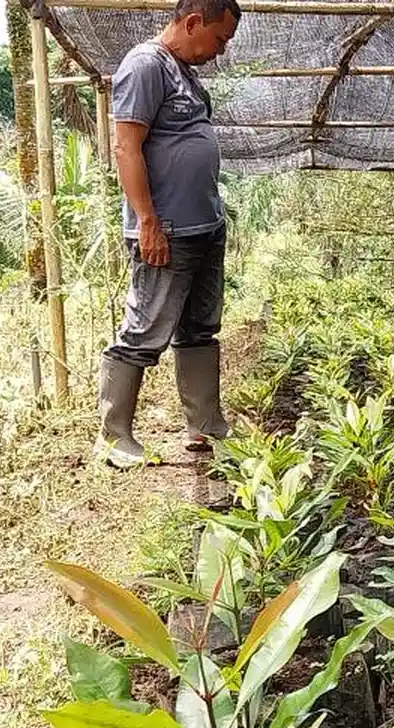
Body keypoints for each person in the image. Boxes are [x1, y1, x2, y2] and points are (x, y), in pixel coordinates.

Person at [94, 0, 241, 468]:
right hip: (167, 231)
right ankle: (114, 436)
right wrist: (147, 223)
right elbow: (125, 146)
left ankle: (205, 425)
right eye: (219, 39)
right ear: (193, 22)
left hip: (204, 227)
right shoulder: (144, 65)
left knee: (200, 327)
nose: (219, 51)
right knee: (144, 330)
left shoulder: (186, 75)